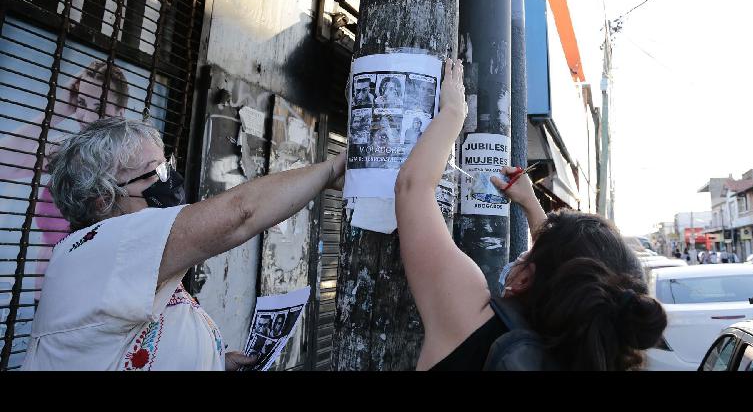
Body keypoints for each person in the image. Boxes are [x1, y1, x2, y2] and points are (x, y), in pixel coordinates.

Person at [394, 58, 667, 371]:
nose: (522, 256)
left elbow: (412, 188)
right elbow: (559, 268)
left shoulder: (468, 315)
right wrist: (529, 203)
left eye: (530, 253)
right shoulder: (595, 356)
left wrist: (454, 113)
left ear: (526, 277)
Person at [21, 117, 345, 370]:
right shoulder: (97, 251)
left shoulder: (129, 260)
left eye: (167, 166)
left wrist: (215, 361)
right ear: (104, 200)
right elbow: (240, 213)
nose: (169, 180)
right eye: (153, 174)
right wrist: (331, 169)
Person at [0, 60, 130, 299]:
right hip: (44, 299)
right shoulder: (65, 155)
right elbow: (3, 163)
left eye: (98, 106)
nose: (87, 115)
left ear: (120, 114)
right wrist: (58, 110)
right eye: (81, 103)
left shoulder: (130, 166)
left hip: (89, 301)